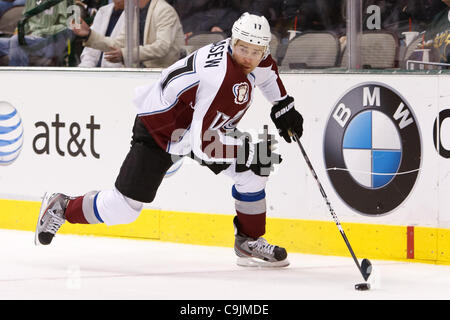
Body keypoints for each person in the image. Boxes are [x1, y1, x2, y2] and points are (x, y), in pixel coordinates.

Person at [35, 12, 304, 268]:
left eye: (256, 51)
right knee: (123, 209)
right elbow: (205, 145)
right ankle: (63, 206)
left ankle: (249, 241)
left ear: (264, 50)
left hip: (199, 125)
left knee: (256, 170)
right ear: (233, 41)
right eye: (243, 49)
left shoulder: (255, 55)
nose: (248, 57)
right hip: (161, 129)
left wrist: (283, 106)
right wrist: (245, 148)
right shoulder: (219, 78)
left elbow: (267, 75)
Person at [70, 0, 184, 68]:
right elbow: (119, 43)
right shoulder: (134, 11)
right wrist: (89, 35)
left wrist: (125, 54)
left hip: (160, 77)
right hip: (139, 77)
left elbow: (162, 47)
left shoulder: (164, 10)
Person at [0, 0, 73, 66]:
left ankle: (18, 77)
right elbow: (26, 20)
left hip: (50, 41)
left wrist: (40, 32)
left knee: (17, 41)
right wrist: (19, 31)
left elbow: (67, 26)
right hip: (31, 38)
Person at [78, 0, 125, 67]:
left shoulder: (137, 14)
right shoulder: (102, 11)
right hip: (94, 73)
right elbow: (89, 52)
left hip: (118, 74)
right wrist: (85, 69)